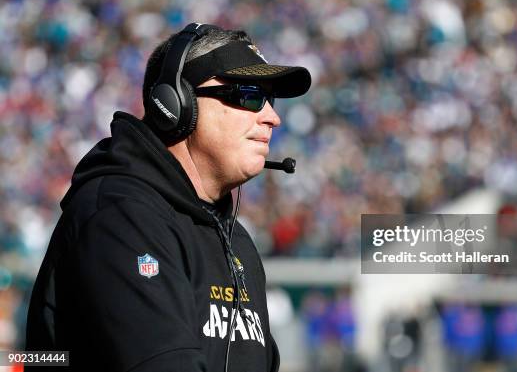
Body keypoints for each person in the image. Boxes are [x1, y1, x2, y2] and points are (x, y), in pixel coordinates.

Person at [25, 22, 311, 372]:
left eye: (271, 100)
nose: (272, 117)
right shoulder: (120, 216)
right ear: (176, 105)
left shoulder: (238, 243)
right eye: (250, 95)